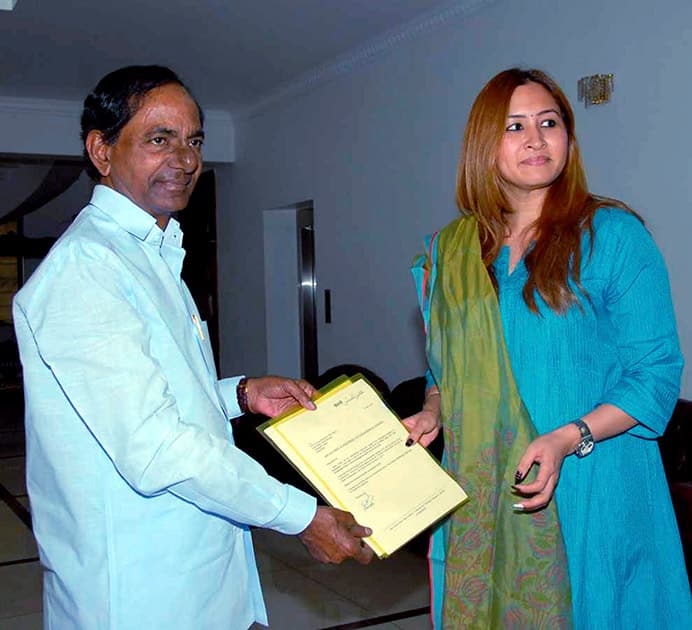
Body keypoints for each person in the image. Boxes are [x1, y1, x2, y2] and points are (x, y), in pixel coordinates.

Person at [12, 65, 373, 629]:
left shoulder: (152, 254)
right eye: (160, 139)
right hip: (137, 590)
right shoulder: (86, 270)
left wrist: (242, 394)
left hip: (193, 573)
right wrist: (299, 515)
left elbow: (158, 396)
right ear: (101, 151)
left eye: (194, 141)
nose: (184, 160)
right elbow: (155, 445)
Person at [404, 67, 692, 628]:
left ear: (569, 137)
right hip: (488, 494)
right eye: (514, 126)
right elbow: (446, 370)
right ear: (484, 145)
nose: (535, 139)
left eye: (549, 122)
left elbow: (655, 371)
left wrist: (569, 436)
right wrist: (433, 412)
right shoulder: (454, 253)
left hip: (592, 486)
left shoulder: (611, 235)